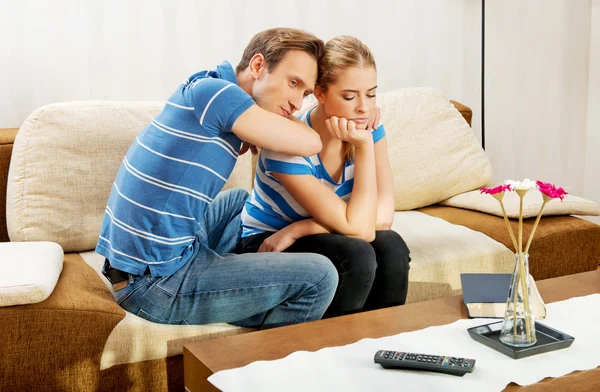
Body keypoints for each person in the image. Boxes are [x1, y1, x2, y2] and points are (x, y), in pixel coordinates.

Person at [96, 28, 339, 329]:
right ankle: (267, 362)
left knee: (239, 201)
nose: (297, 104)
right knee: (320, 275)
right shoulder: (219, 97)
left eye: (304, 93)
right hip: (154, 284)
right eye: (293, 83)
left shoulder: (209, 84)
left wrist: (255, 127)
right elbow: (312, 143)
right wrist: (265, 127)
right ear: (258, 65)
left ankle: (238, 280)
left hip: (140, 265)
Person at [237, 36, 411, 318]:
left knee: (391, 247)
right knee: (356, 255)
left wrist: (303, 228)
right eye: (349, 96)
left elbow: (381, 220)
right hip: (269, 240)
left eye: (371, 94)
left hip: (297, 234)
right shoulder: (288, 144)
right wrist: (364, 147)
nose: (363, 109)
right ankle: (332, 351)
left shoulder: (369, 128)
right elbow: (362, 231)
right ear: (319, 93)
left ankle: (382, 347)